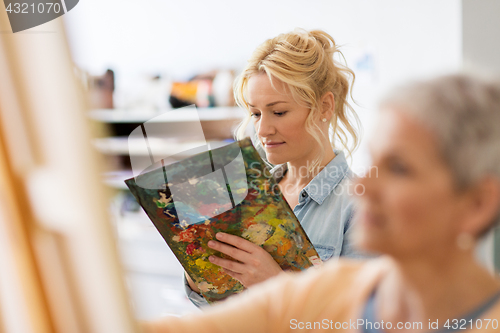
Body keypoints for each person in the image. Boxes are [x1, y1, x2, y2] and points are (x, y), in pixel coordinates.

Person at [146, 74, 500, 332]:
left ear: (477, 204)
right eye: (374, 163)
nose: (365, 185)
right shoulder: (333, 288)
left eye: (400, 169)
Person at [183, 28, 364, 307]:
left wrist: (277, 286)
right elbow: (222, 309)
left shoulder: (360, 208)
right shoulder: (244, 191)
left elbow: (362, 321)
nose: (263, 129)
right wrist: (200, 273)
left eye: (278, 112)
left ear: (324, 107)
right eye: (255, 113)